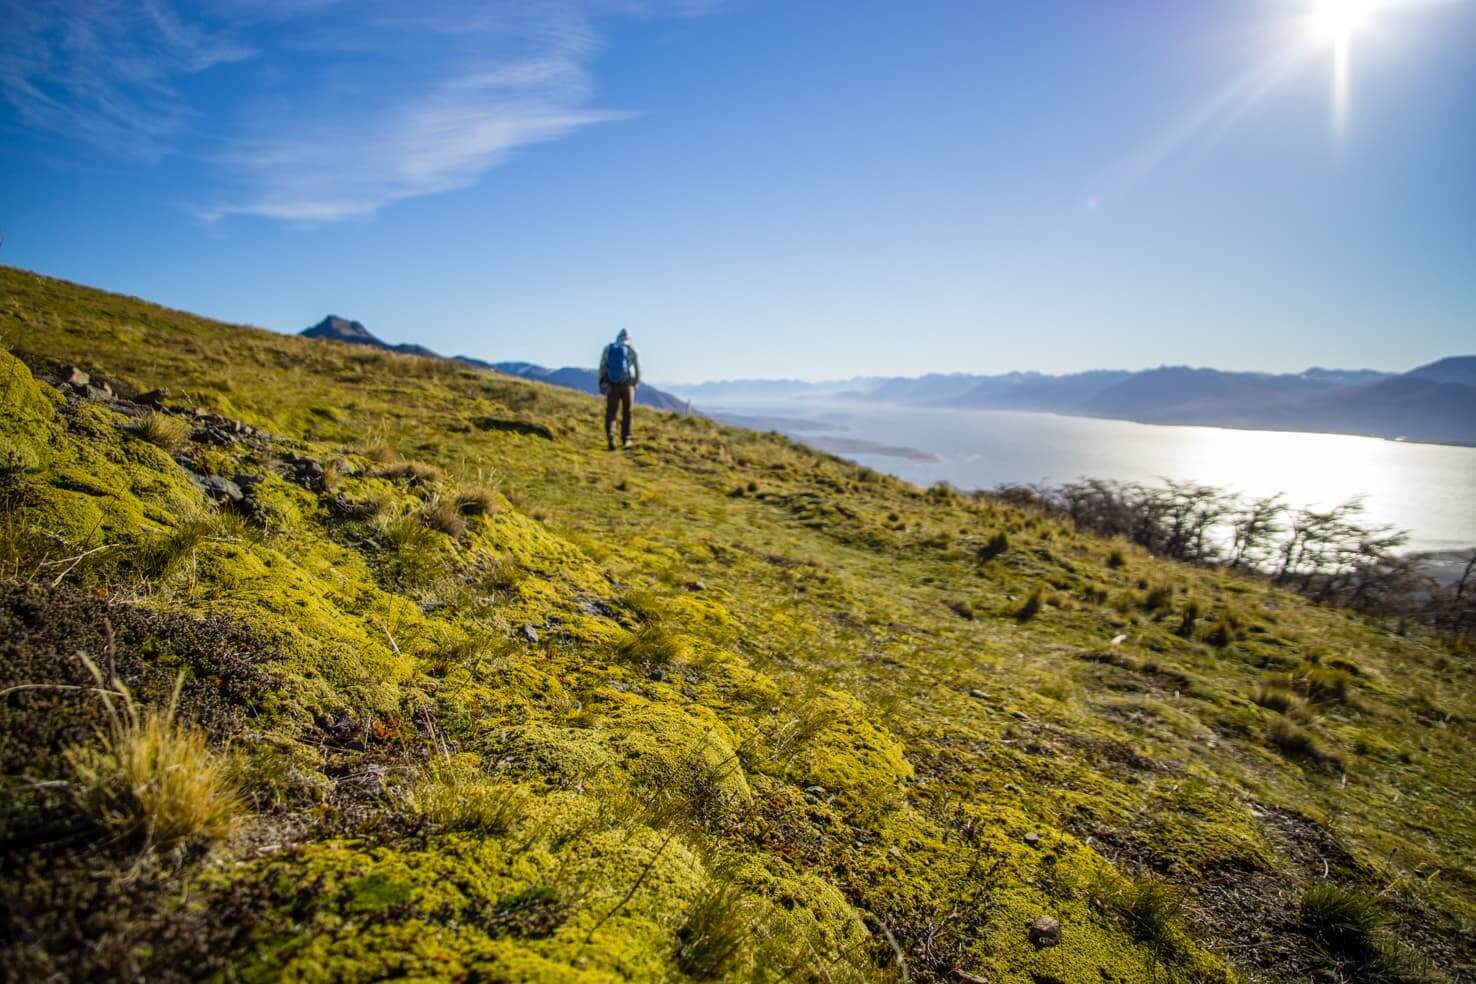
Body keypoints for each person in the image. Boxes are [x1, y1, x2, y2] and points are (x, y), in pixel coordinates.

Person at [598, 329, 641, 450]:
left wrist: (601, 382)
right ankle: (626, 439)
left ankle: (611, 435)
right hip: (627, 385)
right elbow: (638, 369)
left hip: (611, 384)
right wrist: (636, 382)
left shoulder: (608, 348)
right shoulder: (631, 350)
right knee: (627, 412)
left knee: (611, 412)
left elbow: (602, 367)